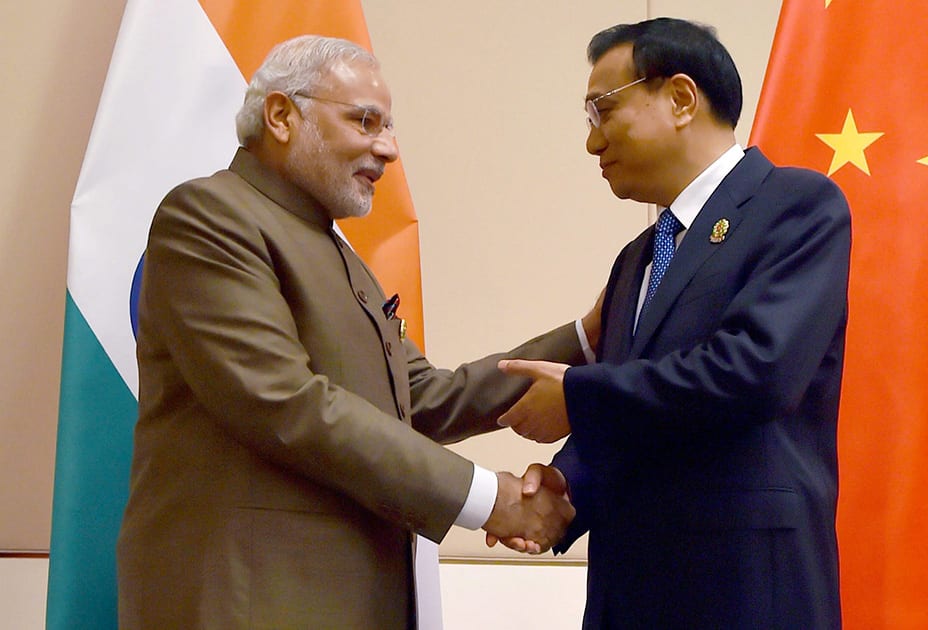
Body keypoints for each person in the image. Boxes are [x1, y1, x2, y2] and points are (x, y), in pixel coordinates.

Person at [116, 35, 593, 629]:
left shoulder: (333, 248)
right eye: (366, 121)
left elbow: (419, 398)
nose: (389, 149)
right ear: (282, 116)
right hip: (250, 601)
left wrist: (586, 339)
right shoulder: (210, 217)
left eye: (389, 127)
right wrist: (487, 500)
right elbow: (285, 402)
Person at [497, 18, 851, 628]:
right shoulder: (637, 257)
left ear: (681, 99)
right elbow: (637, 413)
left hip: (748, 591)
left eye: (602, 111)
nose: (591, 142)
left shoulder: (799, 206)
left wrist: (578, 395)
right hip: (633, 594)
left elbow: (754, 372)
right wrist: (561, 487)